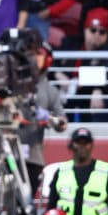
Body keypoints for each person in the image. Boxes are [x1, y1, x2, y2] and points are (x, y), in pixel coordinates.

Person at [17, 44, 67, 194]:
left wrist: (49, 118)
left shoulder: (50, 90)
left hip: (33, 156)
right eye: (30, 54)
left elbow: (62, 123)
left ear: (47, 59)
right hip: (7, 152)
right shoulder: (12, 83)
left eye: (38, 54)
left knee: (26, 201)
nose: (33, 58)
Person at [56, 8, 108, 123]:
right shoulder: (70, 42)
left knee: (99, 99)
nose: (97, 35)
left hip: (87, 96)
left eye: (102, 32)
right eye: (93, 30)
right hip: (64, 94)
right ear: (85, 30)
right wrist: (58, 74)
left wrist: (97, 89)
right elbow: (52, 64)